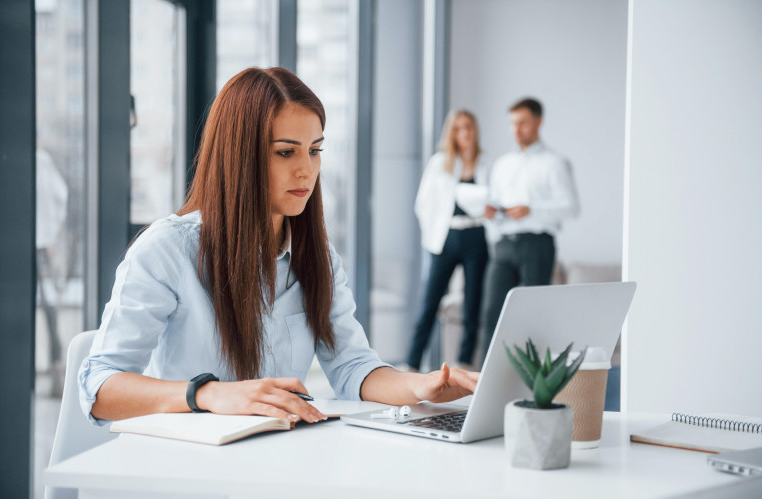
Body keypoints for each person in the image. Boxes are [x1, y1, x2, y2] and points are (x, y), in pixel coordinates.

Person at [78, 67, 478, 431]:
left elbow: (352, 367)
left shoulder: (317, 256)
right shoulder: (167, 249)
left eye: (315, 150)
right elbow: (99, 389)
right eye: (286, 152)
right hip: (193, 471)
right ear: (239, 156)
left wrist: (421, 386)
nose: (306, 169)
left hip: (281, 461)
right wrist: (208, 394)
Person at [481, 98, 580, 345]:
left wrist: (532, 210)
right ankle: (486, 382)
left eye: (523, 123)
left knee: (534, 316)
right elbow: (494, 201)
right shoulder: (503, 164)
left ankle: (532, 382)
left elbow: (571, 208)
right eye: (512, 124)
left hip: (537, 245)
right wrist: (492, 214)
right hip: (503, 245)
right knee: (493, 314)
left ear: (538, 122)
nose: (517, 130)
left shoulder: (554, 163)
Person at [407, 110, 491, 372]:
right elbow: (423, 204)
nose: (464, 133)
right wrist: (431, 235)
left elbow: (494, 200)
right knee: (430, 303)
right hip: (446, 238)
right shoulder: (439, 163)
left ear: (475, 130)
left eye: (468, 127)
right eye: (458, 128)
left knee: (472, 305)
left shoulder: (485, 163)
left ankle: (464, 364)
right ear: (452, 133)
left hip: (476, 236)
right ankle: (411, 364)